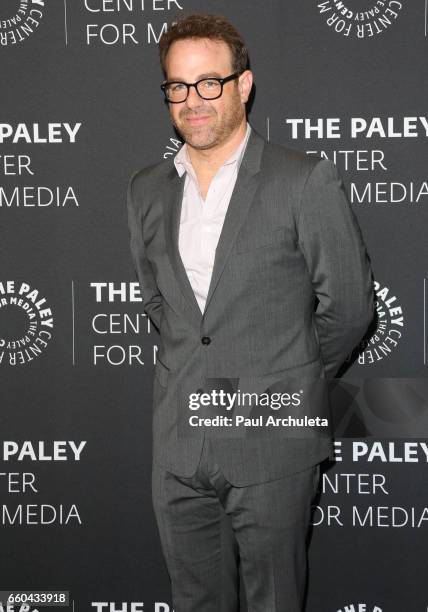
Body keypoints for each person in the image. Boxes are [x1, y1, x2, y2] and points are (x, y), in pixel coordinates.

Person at [127, 13, 374, 612]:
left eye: (209, 82)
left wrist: (284, 380)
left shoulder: (303, 180)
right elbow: (163, 305)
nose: (194, 100)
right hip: (179, 445)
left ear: (244, 85)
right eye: (178, 87)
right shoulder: (146, 190)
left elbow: (348, 309)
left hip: (273, 439)